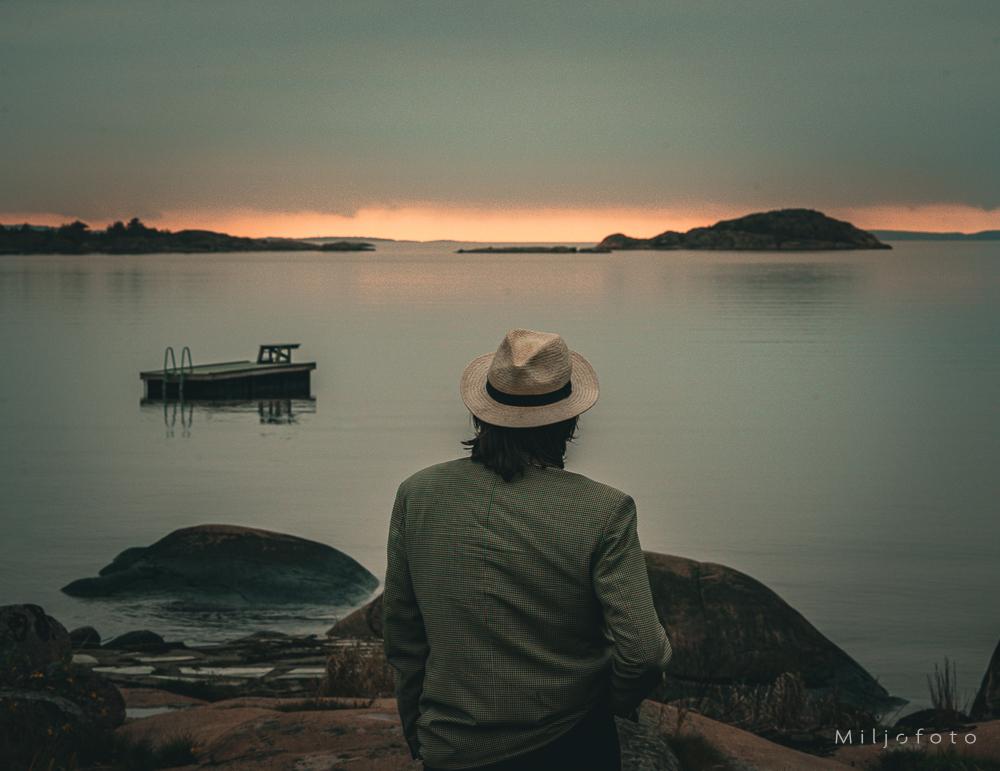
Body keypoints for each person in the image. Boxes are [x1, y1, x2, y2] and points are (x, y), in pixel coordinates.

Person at [383, 328, 672, 770]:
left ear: (481, 414)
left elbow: (404, 636)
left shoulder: (417, 494)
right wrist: (609, 704)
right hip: (570, 745)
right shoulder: (604, 510)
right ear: (570, 421)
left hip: (451, 748)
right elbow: (645, 654)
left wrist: (421, 736)